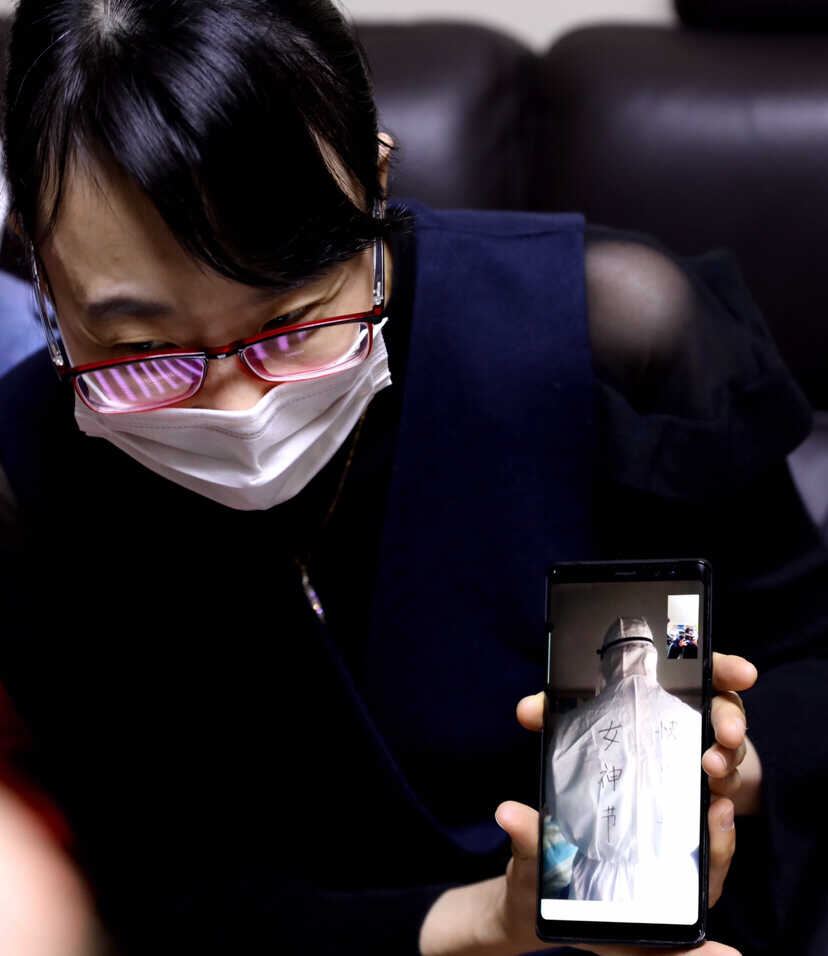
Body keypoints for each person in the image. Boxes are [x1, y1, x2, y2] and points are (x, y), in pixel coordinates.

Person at [0, 2, 824, 954]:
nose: (235, 406)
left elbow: (811, 666)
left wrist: (725, 766)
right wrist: (490, 921)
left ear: (373, 179)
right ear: (39, 261)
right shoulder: (36, 463)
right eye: (143, 348)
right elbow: (175, 889)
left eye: (293, 323)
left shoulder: (612, 329)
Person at [549, 618, 701, 904]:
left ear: (606, 660)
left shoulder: (571, 726)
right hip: (673, 880)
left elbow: (558, 809)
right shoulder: (693, 721)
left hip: (598, 884)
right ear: (651, 656)